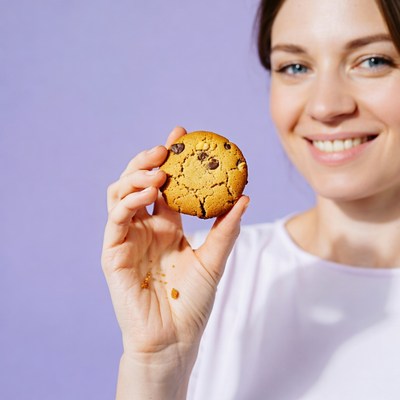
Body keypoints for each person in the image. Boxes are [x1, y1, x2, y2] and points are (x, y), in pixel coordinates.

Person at [101, 0, 400, 398]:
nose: (327, 107)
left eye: (373, 60)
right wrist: (157, 363)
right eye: (295, 66)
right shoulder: (205, 276)